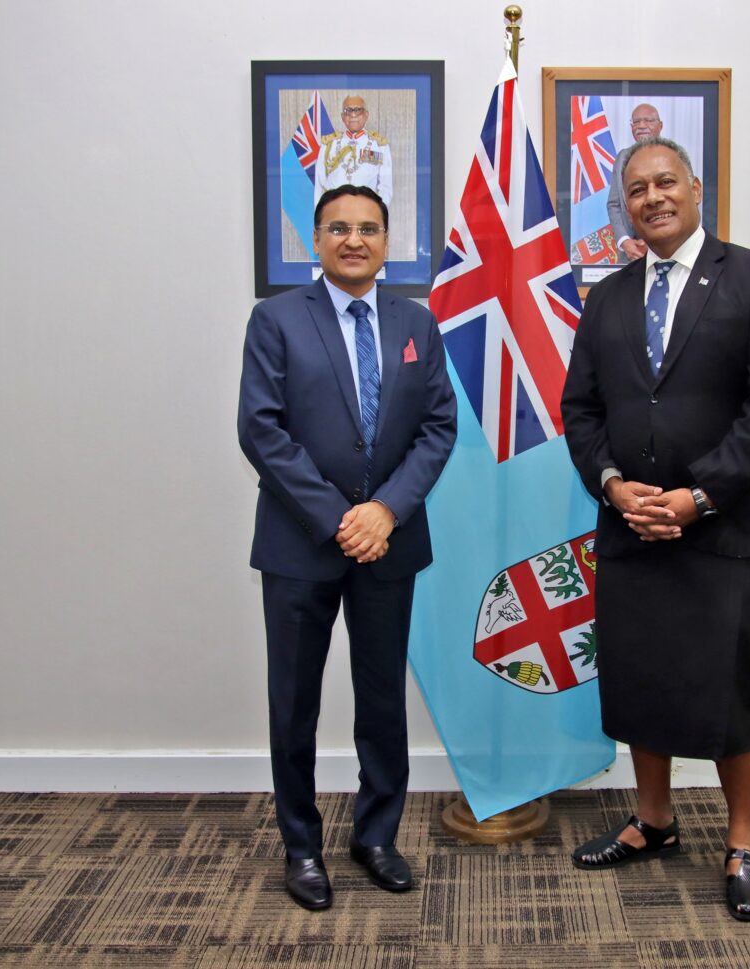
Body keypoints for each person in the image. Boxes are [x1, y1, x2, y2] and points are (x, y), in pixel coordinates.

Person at [561, 137, 750, 922]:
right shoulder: (606, 298)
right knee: (642, 678)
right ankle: (654, 819)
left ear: (697, 189)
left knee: (736, 685)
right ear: (624, 207)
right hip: (632, 525)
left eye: (666, 182)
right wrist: (612, 485)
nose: (653, 197)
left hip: (728, 527)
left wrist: (699, 496)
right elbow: (581, 409)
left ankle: (742, 840)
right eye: (637, 189)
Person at [238, 185, 456, 909]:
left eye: (368, 228)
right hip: (300, 544)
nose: (354, 239)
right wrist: (340, 518)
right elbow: (261, 429)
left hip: (389, 543)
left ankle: (376, 836)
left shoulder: (417, 322)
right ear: (317, 239)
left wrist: (385, 511)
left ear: (387, 242)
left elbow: (438, 427)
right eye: (339, 227)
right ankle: (301, 846)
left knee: (382, 698)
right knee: (294, 702)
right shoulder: (275, 319)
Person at [605, 103, 663, 262]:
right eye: (636, 122)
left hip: (664, 252)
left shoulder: (673, 156)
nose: (641, 126)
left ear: (660, 125)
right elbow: (614, 204)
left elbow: (679, 206)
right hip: (630, 256)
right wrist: (624, 241)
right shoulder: (622, 158)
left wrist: (652, 241)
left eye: (648, 120)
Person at [314, 96, 393, 209]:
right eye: (348, 110)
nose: (353, 114)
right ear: (342, 117)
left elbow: (385, 186)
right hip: (336, 209)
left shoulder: (379, 146)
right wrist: (320, 215)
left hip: (365, 209)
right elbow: (320, 184)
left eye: (358, 110)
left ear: (366, 115)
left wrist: (377, 213)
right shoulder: (329, 144)